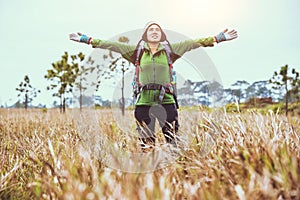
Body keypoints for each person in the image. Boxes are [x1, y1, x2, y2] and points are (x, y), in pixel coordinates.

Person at [69, 22, 238, 152]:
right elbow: (111, 44)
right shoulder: (137, 52)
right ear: (145, 35)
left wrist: (218, 38)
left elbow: (194, 43)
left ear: (162, 35)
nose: (155, 31)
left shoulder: (171, 50)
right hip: (143, 103)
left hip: (167, 100)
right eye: (151, 30)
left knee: (172, 141)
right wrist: (87, 40)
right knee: (147, 145)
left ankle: (177, 175)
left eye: (158, 30)